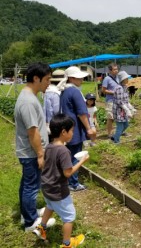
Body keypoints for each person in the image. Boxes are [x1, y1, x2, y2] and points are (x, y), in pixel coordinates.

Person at [33, 114, 87, 248]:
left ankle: (42, 228)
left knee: (50, 206)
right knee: (69, 216)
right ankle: (67, 243)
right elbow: (67, 173)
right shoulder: (64, 151)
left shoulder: (50, 147)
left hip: (46, 187)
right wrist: (82, 161)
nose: (73, 133)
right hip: (59, 190)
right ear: (64, 132)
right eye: (72, 130)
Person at [14, 62, 56, 231]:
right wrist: (40, 154)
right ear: (36, 78)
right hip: (31, 152)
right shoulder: (28, 102)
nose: (49, 83)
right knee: (31, 187)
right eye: (47, 79)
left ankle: (27, 213)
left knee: (27, 184)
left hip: (30, 152)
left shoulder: (29, 97)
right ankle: (31, 222)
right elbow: (33, 132)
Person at [59, 66, 94, 191]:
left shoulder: (64, 91)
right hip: (74, 129)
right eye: (79, 78)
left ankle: (66, 179)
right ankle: (73, 183)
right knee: (75, 155)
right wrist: (89, 129)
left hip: (65, 128)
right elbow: (82, 113)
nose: (81, 80)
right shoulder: (74, 92)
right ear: (71, 78)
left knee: (67, 155)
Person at [113, 71, 136, 144]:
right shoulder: (119, 88)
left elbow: (126, 100)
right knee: (120, 127)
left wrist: (131, 108)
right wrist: (127, 110)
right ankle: (116, 141)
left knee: (126, 125)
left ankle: (115, 136)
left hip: (123, 110)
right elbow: (120, 102)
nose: (128, 79)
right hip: (119, 111)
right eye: (127, 78)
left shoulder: (125, 87)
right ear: (123, 79)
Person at [43, 69, 65, 141]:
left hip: (45, 123)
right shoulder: (56, 93)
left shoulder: (46, 91)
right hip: (54, 124)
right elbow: (56, 110)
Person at [101, 63, 119, 139]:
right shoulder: (107, 79)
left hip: (118, 100)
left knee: (119, 117)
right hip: (110, 100)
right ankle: (109, 134)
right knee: (110, 117)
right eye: (114, 69)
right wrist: (113, 92)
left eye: (117, 69)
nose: (116, 71)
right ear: (110, 70)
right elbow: (103, 90)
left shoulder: (118, 78)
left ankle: (119, 131)